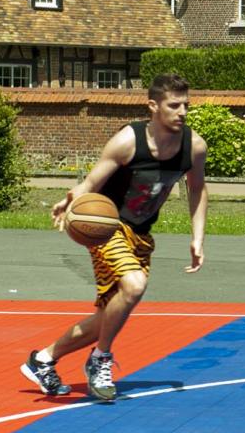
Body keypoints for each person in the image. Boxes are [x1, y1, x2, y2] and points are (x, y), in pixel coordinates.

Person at [19, 73, 208, 400]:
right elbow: (91, 183)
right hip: (107, 227)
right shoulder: (128, 142)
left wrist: (197, 237)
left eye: (186, 106)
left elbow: (197, 188)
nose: (182, 112)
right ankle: (100, 359)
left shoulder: (193, 146)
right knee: (134, 286)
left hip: (141, 234)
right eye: (174, 105)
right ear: (153, 106)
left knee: (109, 315)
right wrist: (70, 199)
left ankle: (43, 359)